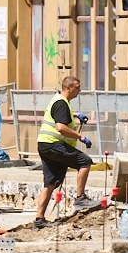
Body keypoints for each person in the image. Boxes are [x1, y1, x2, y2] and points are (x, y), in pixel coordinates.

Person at [33, 76, 93, 224]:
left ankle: (39, 219)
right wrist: (80, 137)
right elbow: (60, 127)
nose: (79, 90)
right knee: (85, 161)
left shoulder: (59, 100)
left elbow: (59, 116)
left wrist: (75, 115)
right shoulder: (61, 103)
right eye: (77, 87)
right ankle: (80, 198)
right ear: (68, 88)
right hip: (53, 144)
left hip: (45, 145)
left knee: (50, 183)